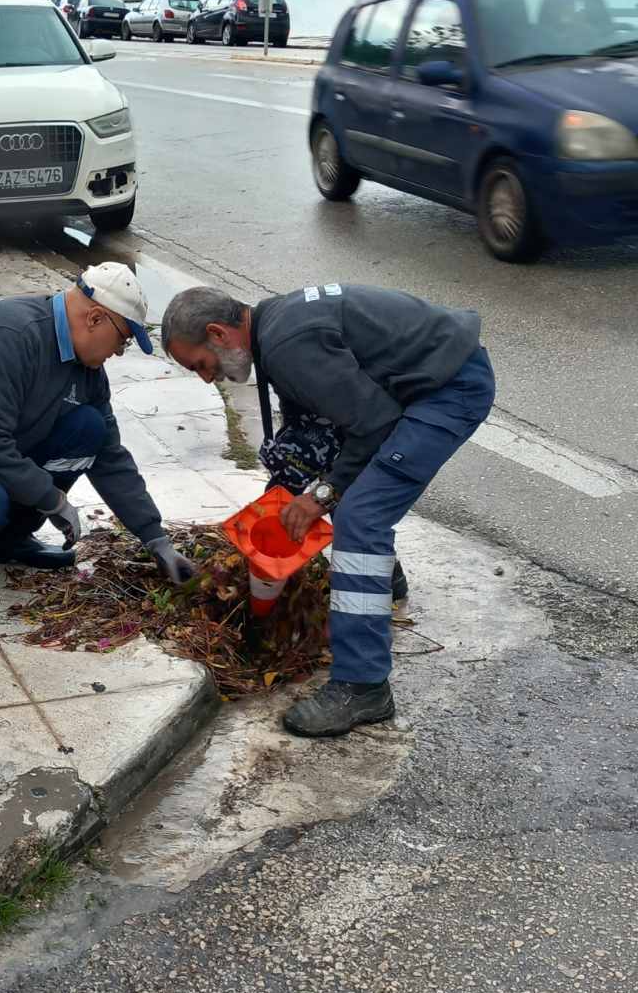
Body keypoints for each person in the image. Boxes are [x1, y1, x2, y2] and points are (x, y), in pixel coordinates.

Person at [160, 282, 495, 738]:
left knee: (359, 517)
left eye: (199, 364)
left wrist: (324, 493)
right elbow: (318, 429)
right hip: (417, 383)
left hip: (447, 390)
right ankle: (383, 579)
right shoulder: (272, 327)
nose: (206, 377)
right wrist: (291, 491)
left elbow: (375, 423)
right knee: (335, 484)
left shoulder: (287, 346)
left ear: (218, 334)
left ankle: (363, 685)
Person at [0, 264, 196, 608]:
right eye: (123, 339)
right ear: (95, 318)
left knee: (89, 428)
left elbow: (109, 455)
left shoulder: (88, 371)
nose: (118, 352)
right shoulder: (5, 336)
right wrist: (52, 499)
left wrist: (156, 539)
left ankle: (9, 541)